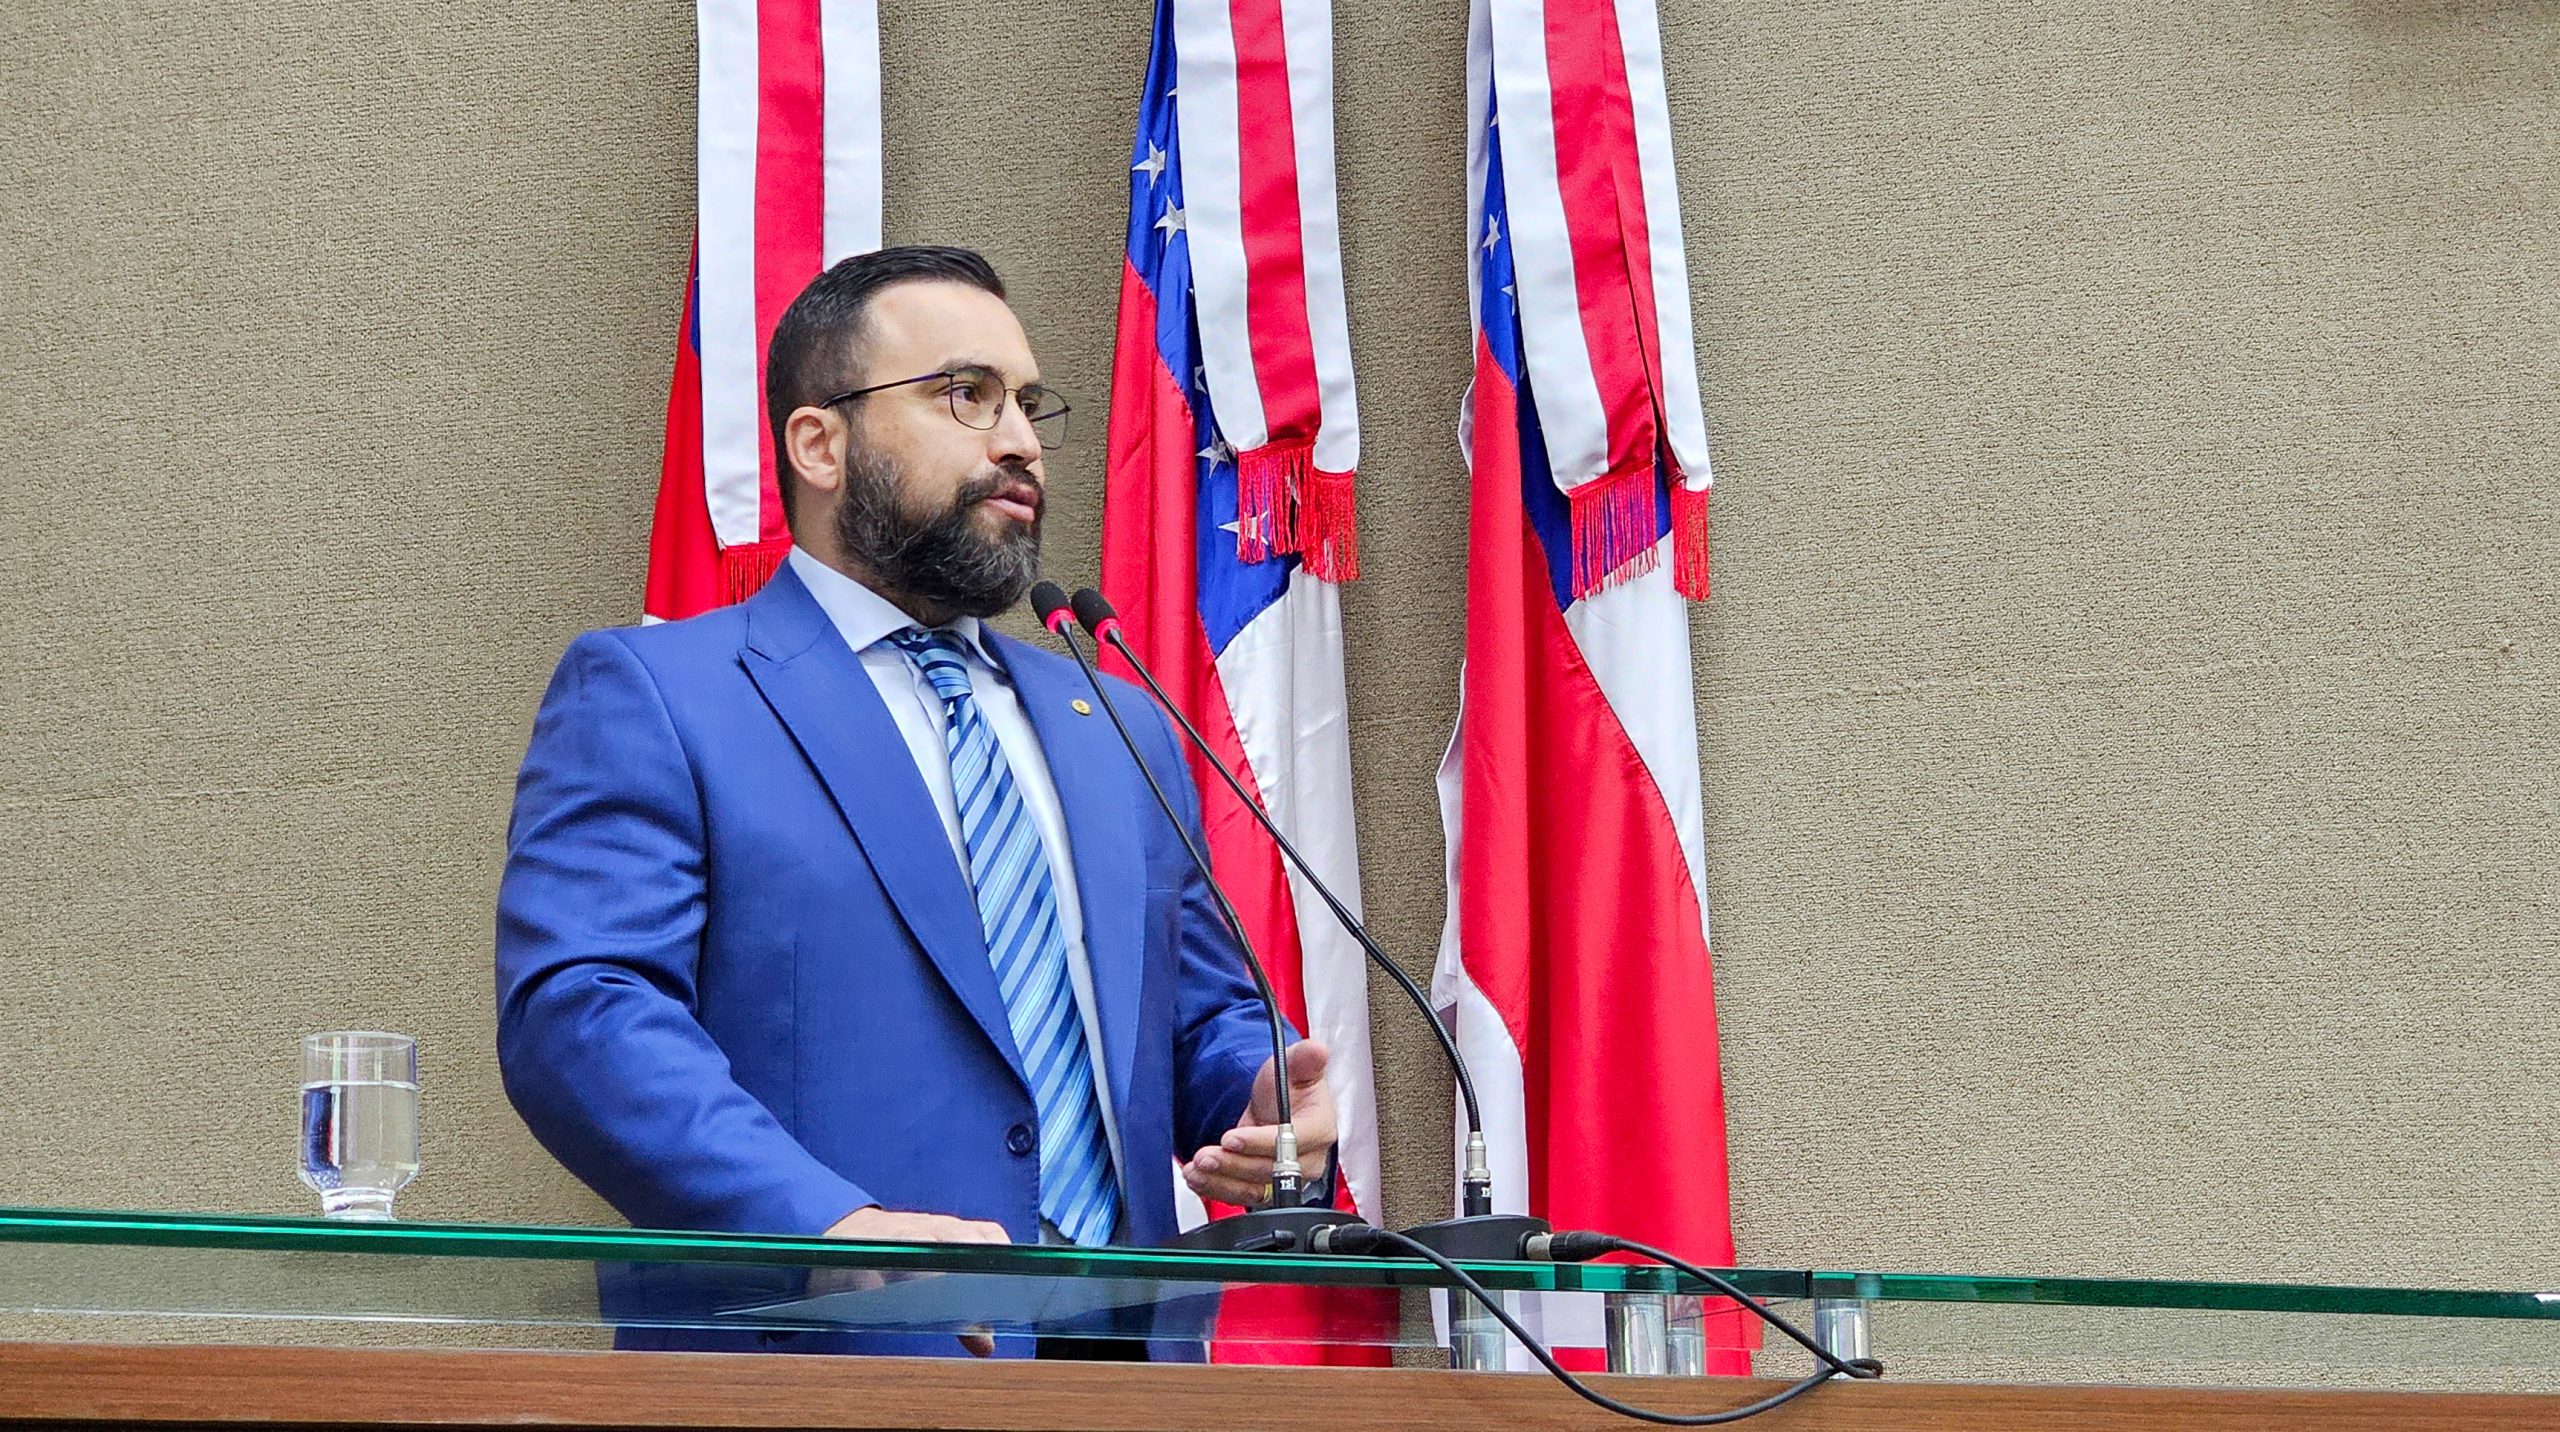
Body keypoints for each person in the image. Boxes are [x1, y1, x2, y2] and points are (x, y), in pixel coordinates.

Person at [494, 245, 1335, 1356]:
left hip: (1128, 1380)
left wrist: (1258, 1093)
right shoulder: (661, 696)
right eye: (963, 394)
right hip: (827, 1363)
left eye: (1028, 404)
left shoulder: (1115, 719)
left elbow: (1194, 1022)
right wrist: (823, 1225)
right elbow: (584, 1013)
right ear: (820, 442)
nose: (1022, 441)